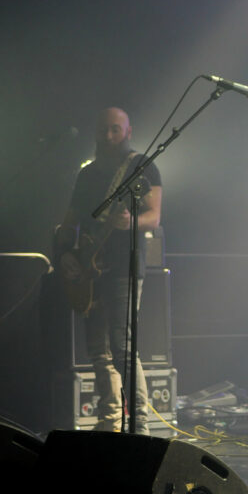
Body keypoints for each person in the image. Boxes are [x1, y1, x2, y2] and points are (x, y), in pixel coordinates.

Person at [56, 107, 163, 434]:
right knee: (98, 351)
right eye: (103, 130)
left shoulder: (142, 167)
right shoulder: (87, 174)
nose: (108, 136)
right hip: (90, 270)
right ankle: (110, 420)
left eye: (115, 129)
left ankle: (140, 426)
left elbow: (154, 217)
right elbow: (70, 221)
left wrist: (131, 222)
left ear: (128, 131)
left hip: (123, 268)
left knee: (122, 346)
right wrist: (65, 254)